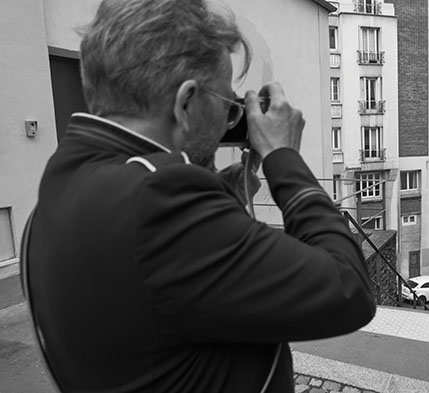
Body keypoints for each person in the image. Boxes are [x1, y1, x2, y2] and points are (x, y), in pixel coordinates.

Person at [23, 1, 376, 392]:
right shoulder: (160, 200)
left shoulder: (57, 190)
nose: (232, 120)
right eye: (227, 106)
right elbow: (348, 289)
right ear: (186, 103)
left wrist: (221, 195)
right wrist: (284, 158)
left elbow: (161, 292)